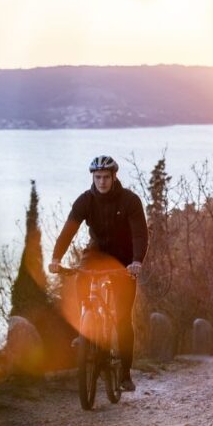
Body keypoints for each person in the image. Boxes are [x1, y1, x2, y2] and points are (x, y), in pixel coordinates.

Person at [49, 155, 148, 392]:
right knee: (82, 275)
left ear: (114, 177)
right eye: (98, 177)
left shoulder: (130, 200)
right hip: (96, 253)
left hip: (124, 259)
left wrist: (136, 261)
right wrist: (55, 258)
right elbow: (68, 231)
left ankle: (124, 374)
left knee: (123, 319)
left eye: (106, 177)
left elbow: (140, 234)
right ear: (93, 178)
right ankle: (87, 325)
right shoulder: (85, 200)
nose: (102, 182)